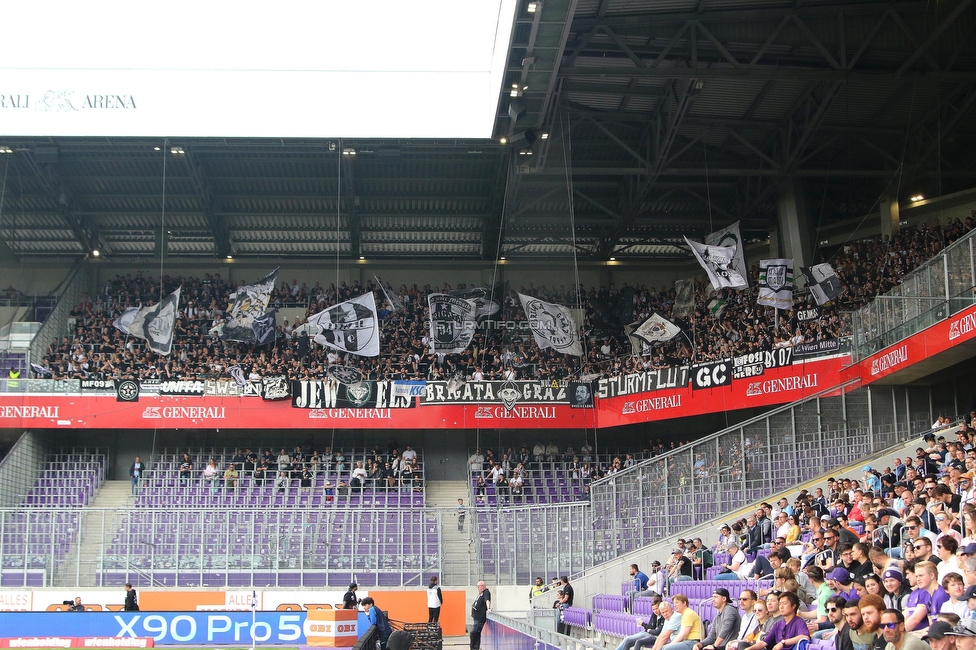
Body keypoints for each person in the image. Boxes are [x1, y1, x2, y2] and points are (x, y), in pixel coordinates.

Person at [470, 581, 491, 650]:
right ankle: (475, 647)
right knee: (476, 633)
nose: (478, 588)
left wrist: (488, 608)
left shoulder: (486, 592)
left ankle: (474, 647)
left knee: (474, 632)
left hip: (480, 618)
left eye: (478, 587)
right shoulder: (481, 594)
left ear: (482, 586)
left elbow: (487, 600)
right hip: (476, 617)